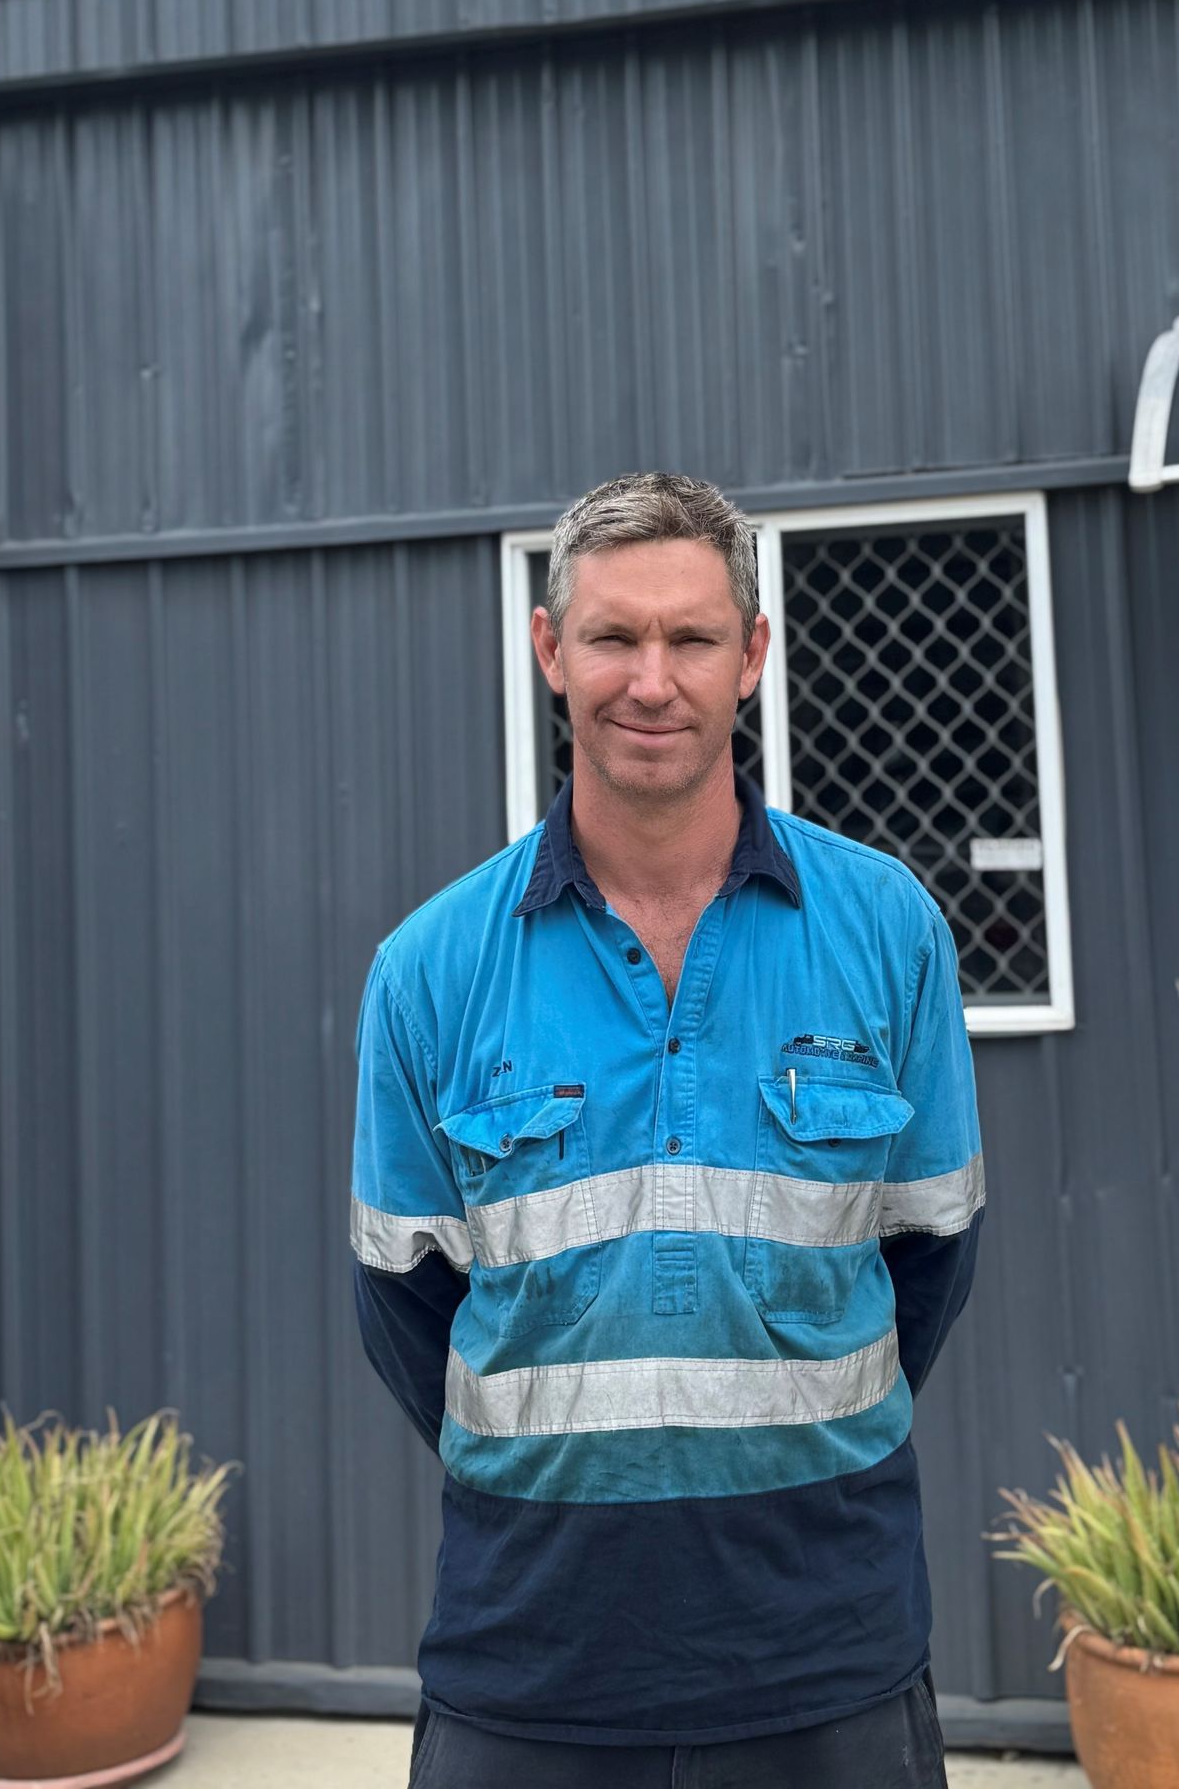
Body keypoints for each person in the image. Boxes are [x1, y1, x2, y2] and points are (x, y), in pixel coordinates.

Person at [350, 471, 985, 1786]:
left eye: (691, 637)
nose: (652, 680)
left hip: (829, 1669)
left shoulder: (886, 929)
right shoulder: (428, 968)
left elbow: (933, 1256)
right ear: (550, 650)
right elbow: (403, 1307)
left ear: (751, 655)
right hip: (527, 1676)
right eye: (613, 637)